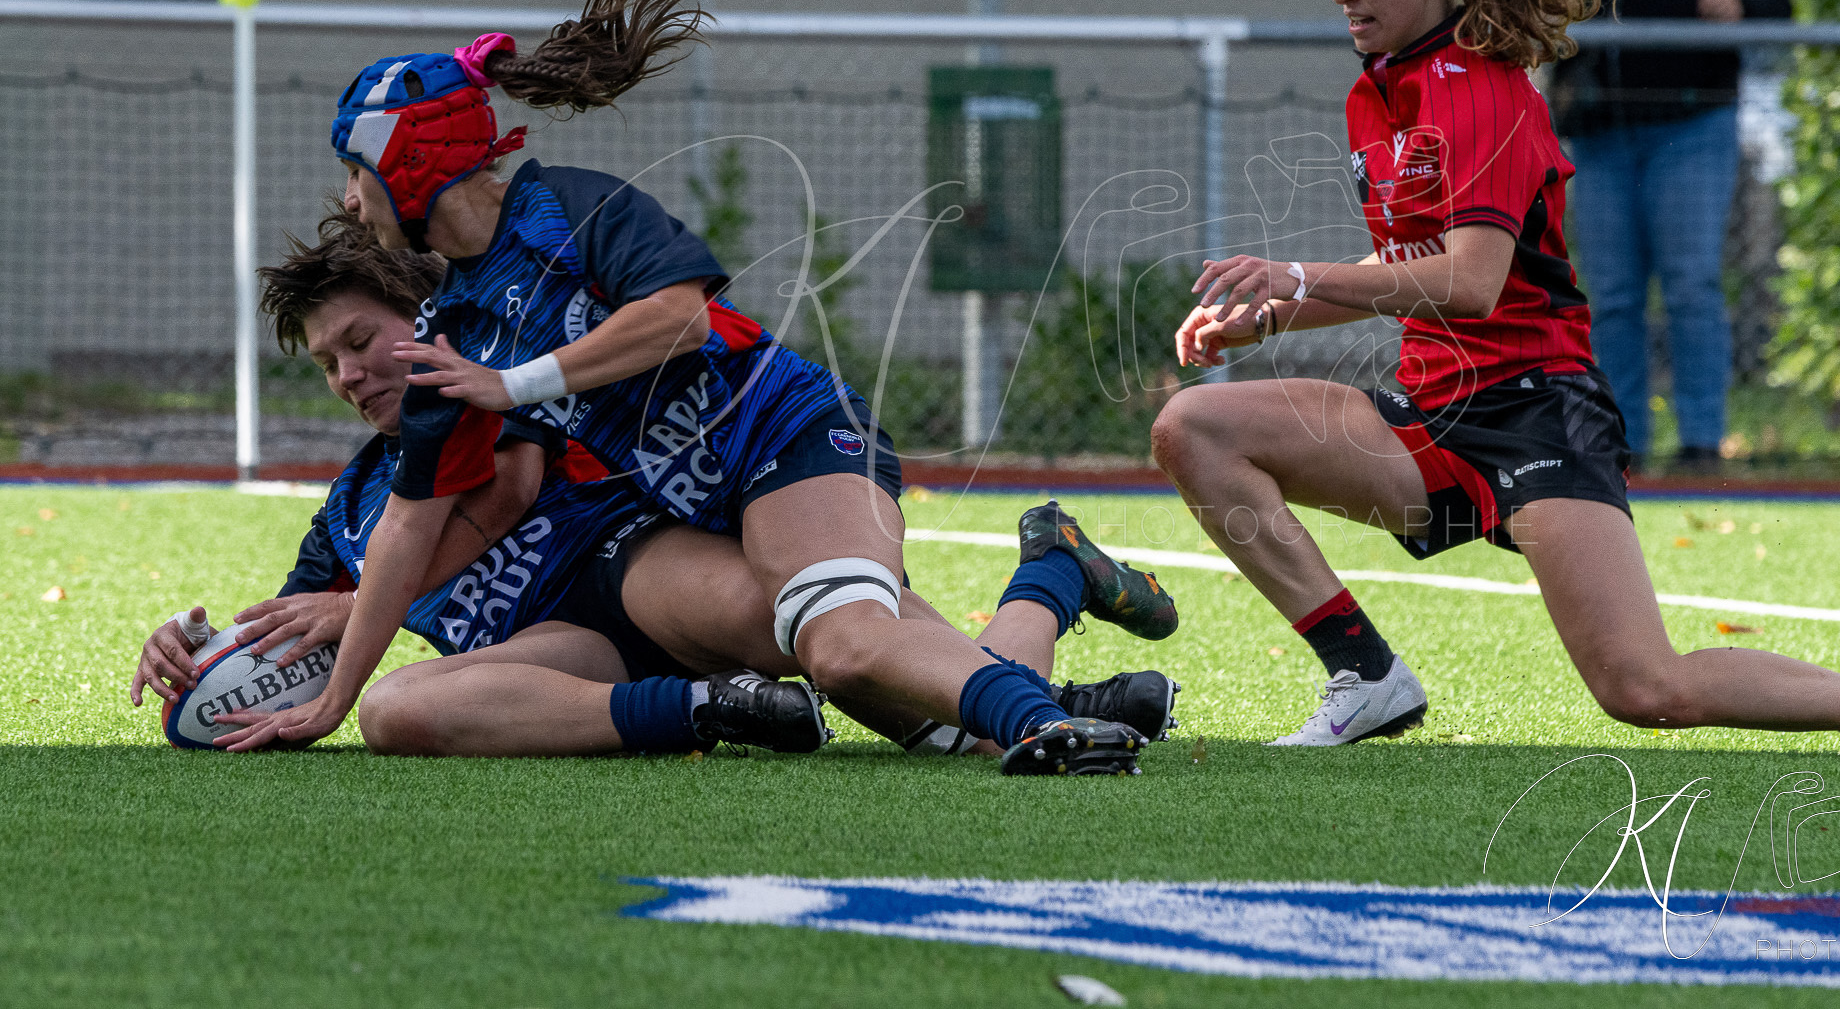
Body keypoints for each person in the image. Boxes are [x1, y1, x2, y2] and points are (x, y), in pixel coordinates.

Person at [1148, 0, 1840, 765]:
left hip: (1536, 412)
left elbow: (1471, 283)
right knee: (1194, 431)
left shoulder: (1482, 88)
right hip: (1427, 420)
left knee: (1644, 688)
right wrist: (1269, 317)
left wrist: (1295, 275)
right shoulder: (1377, 90)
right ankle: (1364, 675)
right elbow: (1405, 275)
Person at [225, 0, 1179, 776]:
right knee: (922, 709)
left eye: (357, 174)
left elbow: (679, 318)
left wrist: (515, 385)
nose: (351, 203)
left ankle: (1045, 722)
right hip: (698, 504)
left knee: (843, 646)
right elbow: (407, 526)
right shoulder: (447, 324)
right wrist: (335, 701)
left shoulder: (568, 206)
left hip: (788, 432)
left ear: (408, 162)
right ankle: (1050, 579)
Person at [131, 218, 1178, 758]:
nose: (349, 374)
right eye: (326, 364)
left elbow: (497, 495)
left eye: (361, 341)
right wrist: (196, 657)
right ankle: (715, 709)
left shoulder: (491, 391)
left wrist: (365, 601)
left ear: (424, 320)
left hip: (638, 572)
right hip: (558, 658)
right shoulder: (346, 507)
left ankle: (1043, 602)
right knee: (396, 709)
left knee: (871, 665)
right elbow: (290, 642)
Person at [1549, 0, 1793, 469]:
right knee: (1614, 293)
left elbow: (1776, 5)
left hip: (1691, 126)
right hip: (1600, 134)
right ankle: (1619, 441)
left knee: (1690, 283)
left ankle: (1702, 441)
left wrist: (1741, 6)